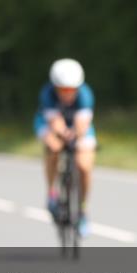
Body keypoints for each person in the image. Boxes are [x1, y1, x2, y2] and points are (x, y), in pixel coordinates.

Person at [35, 58, 96, 237]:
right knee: (53, 147)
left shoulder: (85, 94)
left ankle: (83, 210)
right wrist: (63, 135)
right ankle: (52, 194)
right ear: (55, 87)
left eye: (71, 90)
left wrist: (75, 137)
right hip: (49, 123)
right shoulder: (47, 93)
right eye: (62, 90)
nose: (67, 94)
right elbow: (55, 122)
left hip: (78, 127)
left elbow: (82, 124)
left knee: (84, 166)